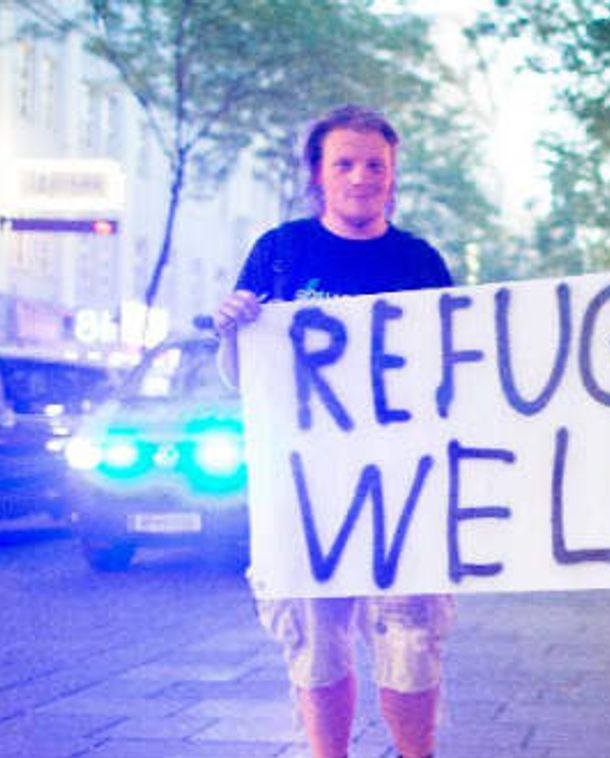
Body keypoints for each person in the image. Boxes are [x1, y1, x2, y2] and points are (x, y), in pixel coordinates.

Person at [214, 105, 454, 758]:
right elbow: (245, 381)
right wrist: (234, 329)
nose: (360, 176)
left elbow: (452, 372)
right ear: (317, 173)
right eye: (344, 163)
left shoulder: (419, 261)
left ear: (393, 174)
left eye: (375, 164)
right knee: (316, 646)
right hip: (306, 493)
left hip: (403, 491)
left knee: (410, 644)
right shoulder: (279, 253)